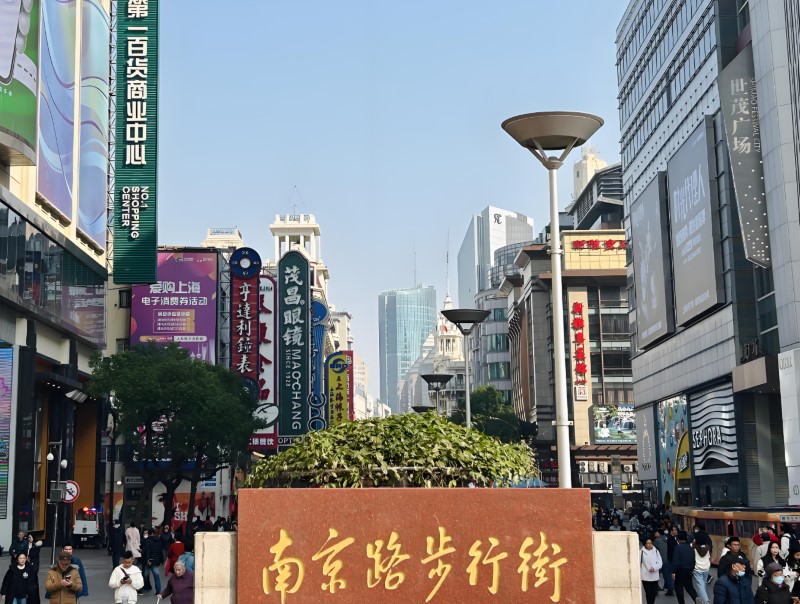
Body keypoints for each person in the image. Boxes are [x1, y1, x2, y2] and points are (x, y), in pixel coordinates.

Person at [673, 531, 698, 604]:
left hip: (680, 571)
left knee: (679, 589)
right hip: (689, 570)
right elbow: (693, 560)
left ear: (678, 539)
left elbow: (675, 561)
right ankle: (699, 601)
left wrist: (673, 572)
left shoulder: (677, 547)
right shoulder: (690, 548)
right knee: (690, 589)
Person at [141, 527, 163, 595]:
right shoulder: (159, 540)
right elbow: (160, 551)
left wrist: (147, 559)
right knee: (157, 576)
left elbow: (147, 551)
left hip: (149, 561)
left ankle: (141, 589)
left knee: (144, 576)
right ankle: (158, 591)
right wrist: (161, 560)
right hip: (156, 561)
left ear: (149, 533)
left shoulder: (147, 540)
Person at [641, 537, 663, 604]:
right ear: (645, 544)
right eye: (648, 543)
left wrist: (654, 568)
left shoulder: (656, 551)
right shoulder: (641, 552)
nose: (649, 545)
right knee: (648, 592)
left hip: (654, 576)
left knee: (653, 593)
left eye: (650, 543)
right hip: (645, 576)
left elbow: (660, 562)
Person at [654, 529, 674, 594]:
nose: (655, 534)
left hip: (659, 560)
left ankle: (655, 589)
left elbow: (654, 551)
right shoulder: (667, 539)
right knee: (668, 575)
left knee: (655, 574)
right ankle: (670, 589)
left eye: (655, 532)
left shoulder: (656, 540)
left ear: (658, 533)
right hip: (668, 560)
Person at [694, 538, 713, 604]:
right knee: (703, 585)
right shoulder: (707, 548)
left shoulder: (694, 548)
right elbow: (709, 557)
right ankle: (702, 600)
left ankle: (705, 601)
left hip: (697, 568)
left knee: (700, 585)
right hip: (706, 568)